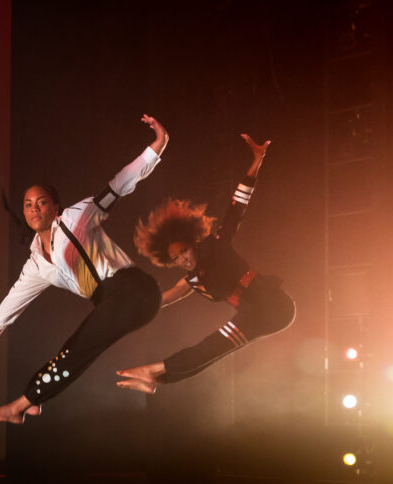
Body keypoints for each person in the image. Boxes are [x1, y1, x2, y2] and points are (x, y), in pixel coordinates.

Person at [0, 115, 169, 424]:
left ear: (56, 207)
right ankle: (32, 402)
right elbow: (11, 304)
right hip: (119, 304)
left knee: (77, 348)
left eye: (42, 202)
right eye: (27, 204)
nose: (34, 209)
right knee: (81, 350)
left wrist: (156, 147)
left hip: (134, 290)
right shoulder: (36, 264)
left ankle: (23, 404)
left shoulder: (77, 217)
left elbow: (119, 184)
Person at [116, 134, 295, 394]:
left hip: (273, 304)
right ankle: (158, 379)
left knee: (213, 345)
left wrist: (256, 161)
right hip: (259, 316)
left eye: (184, 252)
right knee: (214, 352)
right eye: (176, 259)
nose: (183, 260)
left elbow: (238, 207)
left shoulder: (217, 245)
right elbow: (164, 298)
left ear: (193, 244)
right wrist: (128, 313)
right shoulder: (191, 281)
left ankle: (155, 371)